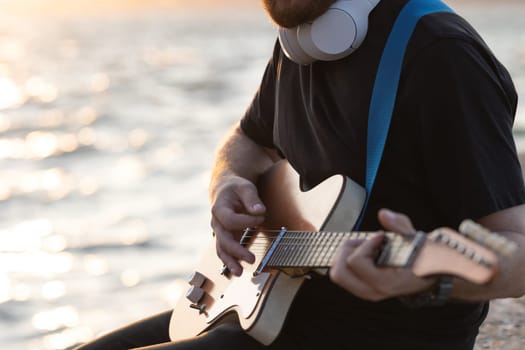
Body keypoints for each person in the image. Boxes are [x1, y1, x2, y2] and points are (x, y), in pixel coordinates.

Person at [76, 0, 525, 349]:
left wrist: (429, 275)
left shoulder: (442, 56)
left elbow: (517, 252)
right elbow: (247, 141)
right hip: (263, 307)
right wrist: (227, 181)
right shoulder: (303, 37)